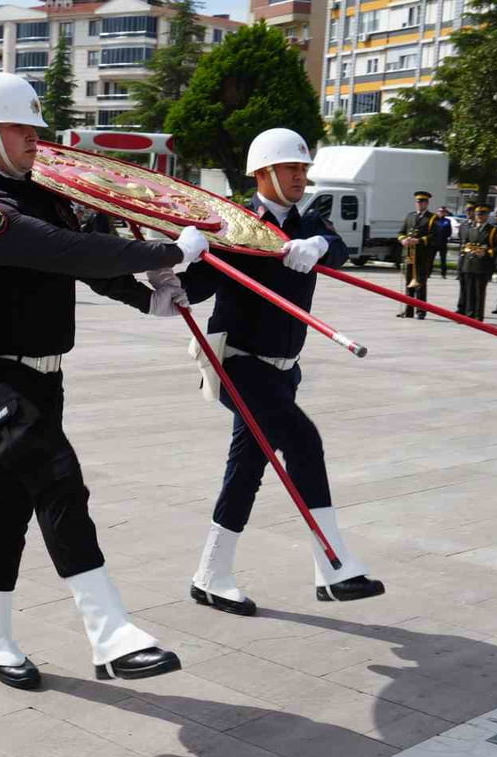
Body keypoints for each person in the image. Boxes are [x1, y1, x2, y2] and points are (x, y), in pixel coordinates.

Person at [0, 72, 206, 689]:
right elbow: (67, 252)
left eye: (34, 128)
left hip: (41, 379)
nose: (34, 139)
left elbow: (89, 262)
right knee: (57, 480)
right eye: (22, 128)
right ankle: (111, 634)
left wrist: (149, 298)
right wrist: (166, 254)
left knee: (9, 507)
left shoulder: (39, 195)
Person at [177, 128, 379, 616]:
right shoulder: (232, 223)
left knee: (247, 466)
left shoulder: (312, 221)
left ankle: (211, 574)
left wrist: (318, 246)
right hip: (237, 363)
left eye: (304, 169)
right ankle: (334, 568)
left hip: (285, 368)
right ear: (262, 172)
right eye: (291, 168)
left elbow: (336, 246)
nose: (300, 177)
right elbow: (194, 289)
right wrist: (185, 253)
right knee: (303, 441)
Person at [396, 191, 439, 319]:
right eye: (418, 202)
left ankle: (421, 311)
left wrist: (419, 240)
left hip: (422, 255)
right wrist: (403, 239)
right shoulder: (410, 216)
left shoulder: (432, 218)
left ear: (427, 203)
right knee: (409, 283)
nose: (419, 204)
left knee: (420, 283)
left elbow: (434, 237)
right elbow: (401, 232)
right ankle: (408, 311)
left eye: (422, 202)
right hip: (409, 254)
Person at [458, 202, 497, 322]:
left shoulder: (492, 230)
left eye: (482, 214)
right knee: (469, 291)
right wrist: (467, 249)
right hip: (469, 263)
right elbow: (464, 244)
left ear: (487, 216)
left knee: (479, 292)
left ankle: (478, 316)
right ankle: (469, 314)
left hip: (482, 265)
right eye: (477, 214)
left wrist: (486, 252)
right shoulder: (471, 229)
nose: (479, 217)